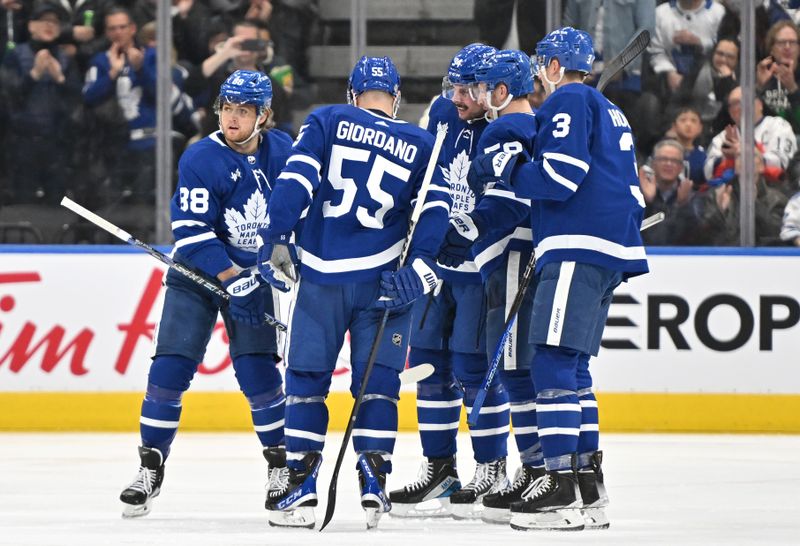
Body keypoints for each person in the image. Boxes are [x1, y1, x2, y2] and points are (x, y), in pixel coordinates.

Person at [256, 56, 451, 530]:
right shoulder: (424, 143)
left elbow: (296, 181)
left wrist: (276, 236)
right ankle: (373, 478)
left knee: (305, 383)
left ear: (352, 94)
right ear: (396, 98)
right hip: (385, 282)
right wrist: (421, 271)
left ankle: (301, 485)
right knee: (378, 387)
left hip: (323, 277)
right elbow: (434, 214)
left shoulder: (326, 119)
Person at [467, 27, 649, 531]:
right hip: (604, 246)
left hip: (577, 242)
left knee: (548, 361)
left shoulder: (569, 100)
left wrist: (509, 168)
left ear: (551, 64)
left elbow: (560, 177)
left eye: (539, 62)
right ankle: (589, 486)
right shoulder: (606, 108)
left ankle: (560, 486)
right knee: (572, 369)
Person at [118, 70, 292, 518]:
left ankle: (280, 466)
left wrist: (282, 257)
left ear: (264, 116)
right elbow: (191, 232)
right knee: (170, 370)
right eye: (227, 108)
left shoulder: (285, 151)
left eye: (243, 110)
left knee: (259, 376)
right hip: (198, 277)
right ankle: (150, 468)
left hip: (252, 279)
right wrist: (232, 274)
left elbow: (301, 210)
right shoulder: (201, 157)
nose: (232, 118)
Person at [387, 43, 511, 520]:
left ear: (489, 88)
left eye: (467, 88)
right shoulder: (441, 112)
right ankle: (440, 469)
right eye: (453, 86)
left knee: (473, 367)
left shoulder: (508, 126)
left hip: (480, 267)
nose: (457, 96)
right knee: (429, 365)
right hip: (434, 263)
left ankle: (492, 466)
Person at [437, 48, 544, 524]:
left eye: (477, 88)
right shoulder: (497, 125)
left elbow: (510, 201)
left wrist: (468, 227)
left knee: (529, 371)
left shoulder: (510, 128)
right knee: (520, 371)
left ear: (499, 90)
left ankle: (547, 469)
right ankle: (538, 468)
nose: (468, 96)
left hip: (513, 257)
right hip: (497, 261)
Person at [0, 2, 81, 205]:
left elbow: (77, 98)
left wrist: (60, 78)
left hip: (57, 141)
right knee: (23, 200)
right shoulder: (15, 56)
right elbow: (9, 96)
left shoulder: (65, 58)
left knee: (57, 202)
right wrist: (34, 75)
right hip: (22, 140)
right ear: (30, 26)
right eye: (44, 20)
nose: (50, 25)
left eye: (54, 21)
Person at [704, 86, 797, 192]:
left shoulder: (778, 125)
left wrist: (744, 153)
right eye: (734, 103)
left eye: (745, 100)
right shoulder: (723, 136)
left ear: (760, 105)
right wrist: (727, 158)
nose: (740, 107)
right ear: (730, 112)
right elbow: (708, 172)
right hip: (733, 193)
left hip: (773, 191)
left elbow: (781, 163)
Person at [638, 139, 697, 245]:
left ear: (681, 167)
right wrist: (648, 202)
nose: (669, 164)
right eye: (663, 159)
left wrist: (681, 205)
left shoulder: (691, 196)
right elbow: (643, 234)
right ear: (652, 163)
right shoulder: (637, 194)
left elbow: (691, 237)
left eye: (674, 160)